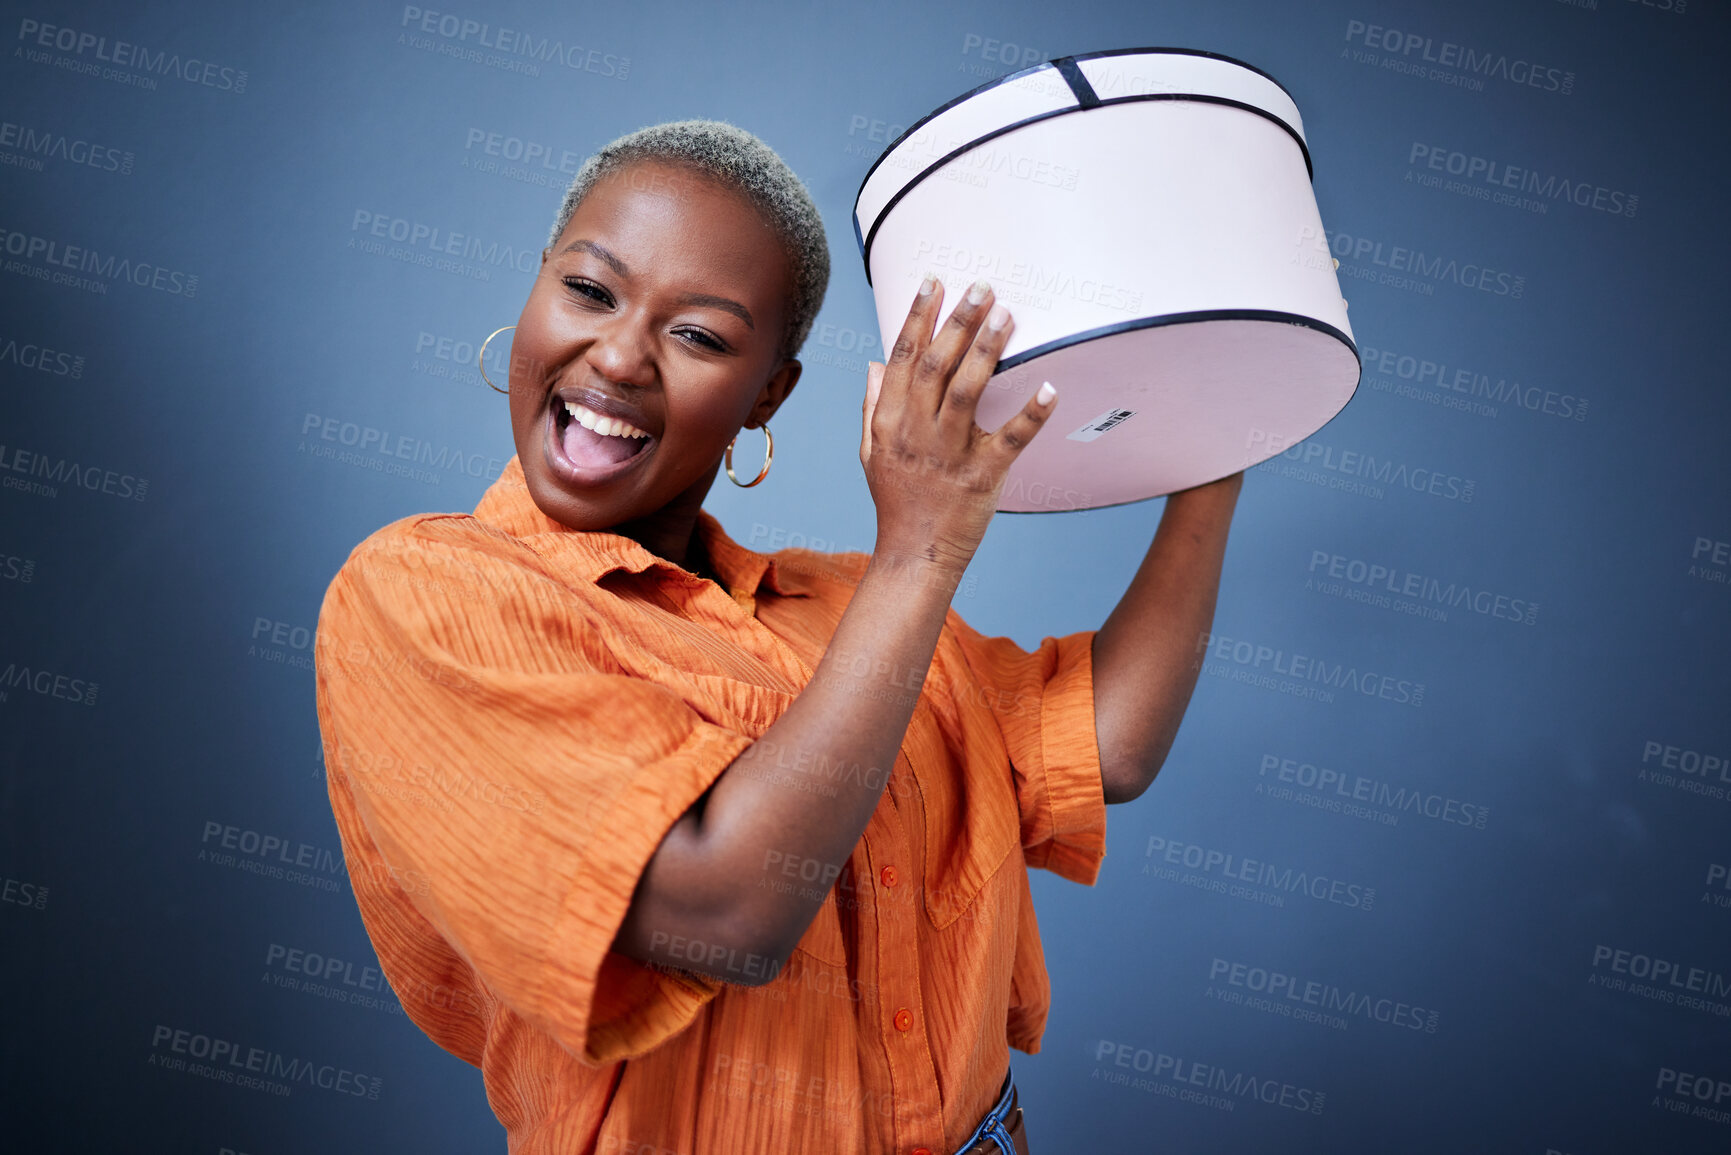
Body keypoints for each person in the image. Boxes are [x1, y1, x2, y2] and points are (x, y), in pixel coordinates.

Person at [313, 119, 1243, 1155]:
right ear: (535, 291)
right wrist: (923, 550)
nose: (618, 353)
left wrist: (1219, 438)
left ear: (769, 392)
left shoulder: (846, 607)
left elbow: (1109, 744)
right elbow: (722, 913)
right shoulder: (427, 595)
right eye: (588, 290)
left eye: (700, 335)